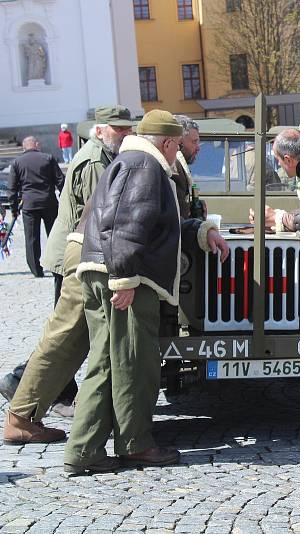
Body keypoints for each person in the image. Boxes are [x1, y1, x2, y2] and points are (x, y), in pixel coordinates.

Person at [63, 110, 229, 474]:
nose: (179, 154)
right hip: (126, 278)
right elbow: (126, 224)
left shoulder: (133, 161)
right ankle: (135, 444)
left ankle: (83, 450)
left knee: (107, 362)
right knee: (134, 365)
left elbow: (146, 223)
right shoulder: (145, 167)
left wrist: (201, 230)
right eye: (177, 147)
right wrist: (124, 280)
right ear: (168, 142)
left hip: (104, 270)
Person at [0, 106, 135, 426]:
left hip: (79, 254)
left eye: (128, 129)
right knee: (67, 332)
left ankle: (37, 394)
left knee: (72, 331)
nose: (125, 134)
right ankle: (23, 387)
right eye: (118, 129)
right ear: (100, 130)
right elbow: (101, 215)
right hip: (75, 257)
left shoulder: (102, 154)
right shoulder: (94, 160)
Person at [8, 136, 64, 277]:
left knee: (31, 238)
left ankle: (36, 269)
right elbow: (61, 181)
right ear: (36, 145)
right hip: (49, 202)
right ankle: (56, 266)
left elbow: (12, 189)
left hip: (29, 204)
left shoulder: (17, 163)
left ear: (23, 147)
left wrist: (14, 210)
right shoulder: (48, 158)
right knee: (54, 235)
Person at [173, 115, 201, 218]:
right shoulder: (175, 168)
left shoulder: (178, 166)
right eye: (194, 142)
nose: (198, 148)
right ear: (179, 142)